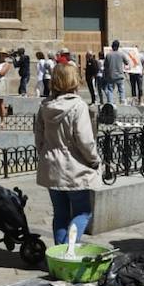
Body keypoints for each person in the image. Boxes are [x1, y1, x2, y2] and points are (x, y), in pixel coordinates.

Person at [34, 63, 101, 246]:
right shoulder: (78, 106)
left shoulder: (44, 106)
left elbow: (38, 137)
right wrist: (94, 160)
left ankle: (60, 254)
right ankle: (68, 251)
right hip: (74, 167)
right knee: (83, 212)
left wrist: (47, 154)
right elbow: (85, 140)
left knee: (60, 213)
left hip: (52, 166)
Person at [102, 40, 127, 106]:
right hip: (119, 75)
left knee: (110, 89)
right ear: (118, 47)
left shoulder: (108, 55)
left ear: (112, 46)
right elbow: (126, 62)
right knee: (121, 89)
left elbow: (105, 65)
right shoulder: (121, 54)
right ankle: (122, 101)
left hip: (111, 76)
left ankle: (110, 103)